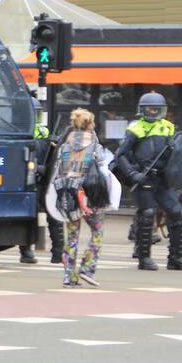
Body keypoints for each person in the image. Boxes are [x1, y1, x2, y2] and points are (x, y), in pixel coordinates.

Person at [114, 91, 182, 271]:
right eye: (150, 109)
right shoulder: (135, 128)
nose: (153, 112)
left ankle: (176, 257)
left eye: (157, 109)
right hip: (143, 179)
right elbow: (121, 155)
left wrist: (176, 148)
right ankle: (144, 257)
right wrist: (133, 174)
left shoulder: (168, 127)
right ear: (142, 110)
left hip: (163, 179)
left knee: (179, 214)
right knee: (147, 214)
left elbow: (176, 155)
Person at [54, 109, 108, 288]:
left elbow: (58, 171)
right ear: (90, 124)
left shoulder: (64, 146)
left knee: (71, 237)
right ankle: (87, 268)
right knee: (97, 231)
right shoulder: (95, 146)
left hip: (69, 195)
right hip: (89, 195)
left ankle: (69, 277)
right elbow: (103, 170)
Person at [20, 98, 64, 264]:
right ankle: (26, 250)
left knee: (54, 214)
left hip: (46, 182)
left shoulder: (45, 133)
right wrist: (36, 169)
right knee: (29, 217)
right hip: (29, 181)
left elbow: (56, 159)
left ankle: (58, 252)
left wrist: (55, 146)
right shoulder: (21, 132)